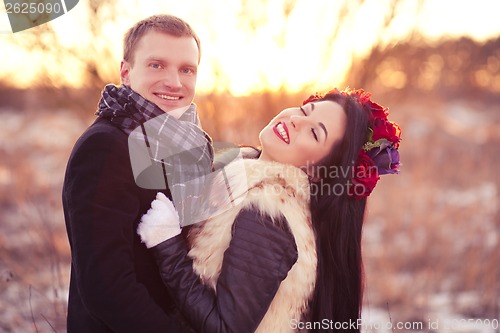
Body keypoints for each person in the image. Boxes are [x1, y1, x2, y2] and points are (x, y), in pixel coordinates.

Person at [137, 88, 402, 332]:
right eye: (304, 111)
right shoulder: (241, 170)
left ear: (317, 172)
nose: (297, 120)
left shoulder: (269, 215)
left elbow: (227, 328)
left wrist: (166, 243)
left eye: (314, 133)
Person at [62, 14, 212, 333]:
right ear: (126, 73)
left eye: (186, 69)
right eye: (157, 65)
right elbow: (107, 290)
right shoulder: (106, 147)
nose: (174, 82)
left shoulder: (190, 144)